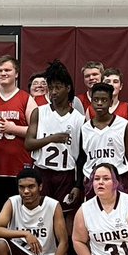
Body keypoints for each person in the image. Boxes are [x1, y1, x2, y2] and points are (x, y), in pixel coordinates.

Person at [0, 55, 36, 226]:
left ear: (16, 73)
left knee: (18, 215)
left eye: (7, 70)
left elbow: (37, 132)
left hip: (17, 167)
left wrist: (13, 129)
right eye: (0, 70)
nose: (3, 73)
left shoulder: (26, 99)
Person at [25, 60, 84, 213]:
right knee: (40, 214)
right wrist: (52, 138)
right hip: (42, 171)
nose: (54, 92)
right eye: (51, 88)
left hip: (66, 174)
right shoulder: (39, 112)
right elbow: (28, 144)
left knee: (66, 215)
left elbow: (82, 156)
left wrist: (78, 185)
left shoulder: (79, 119)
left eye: (58, 87)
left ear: (68, 88)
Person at [79, 82, 128, 193]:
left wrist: (126, 183)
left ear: (110, 102)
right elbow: (82, 158)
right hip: (92, 179)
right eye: (96, 100)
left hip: (118, 178)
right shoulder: (85, 128)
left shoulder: (123, 125)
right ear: (91, 101)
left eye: (104, 100)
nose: (99, 103)